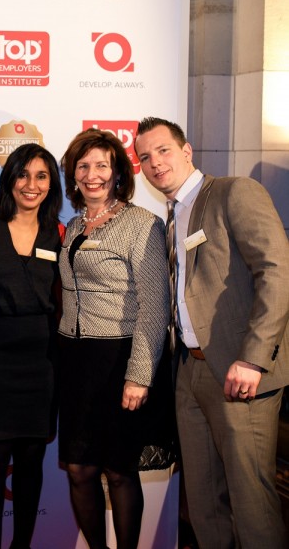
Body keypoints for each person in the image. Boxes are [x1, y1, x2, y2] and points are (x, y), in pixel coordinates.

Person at [135, 117, 289, 549]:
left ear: (187, 151)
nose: (154, 163)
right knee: (203, 504)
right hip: (190, 371)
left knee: (252, 504)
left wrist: (253, 358)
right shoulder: (170, 217)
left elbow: (276, 272)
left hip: (240, 370)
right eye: (144, 157)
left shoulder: (232, 193)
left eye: (163, 150)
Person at [57, 128, 170, 549]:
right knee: (79, 470)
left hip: (119, 359)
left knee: (119, 470)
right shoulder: (73, 226)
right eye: (83, 166)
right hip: (75, 362)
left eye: (102, 165)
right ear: (73, 174)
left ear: (118, 172)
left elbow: (155, 306)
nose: (92, 175)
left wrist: (138, 376)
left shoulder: (143, 224)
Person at [0, 143, 63, 549]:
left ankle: (22, 545)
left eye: (41, 176)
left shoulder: (60, 233)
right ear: (9, 179)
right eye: (22, 174)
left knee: (31, 462)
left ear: (51, 184)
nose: (31, 184)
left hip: (41, 365)